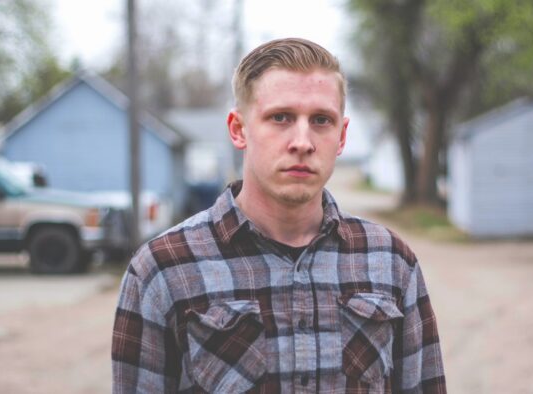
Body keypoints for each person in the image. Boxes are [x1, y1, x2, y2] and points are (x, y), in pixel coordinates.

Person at [112, 37, 446, 393]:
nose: (302, 141)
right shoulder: (162, 269)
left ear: (342, 135)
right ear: (238, 129)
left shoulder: (391, 262)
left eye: (321, 120)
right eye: (280, 117)